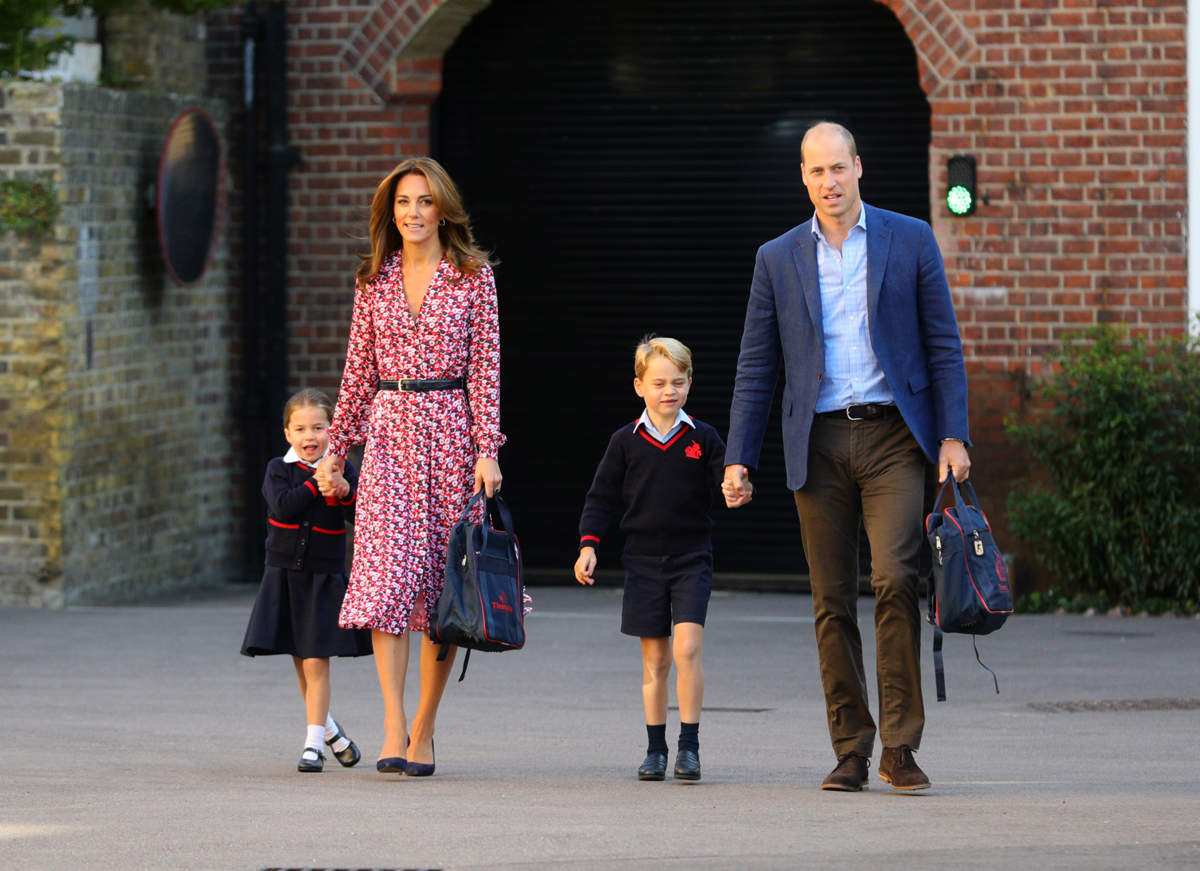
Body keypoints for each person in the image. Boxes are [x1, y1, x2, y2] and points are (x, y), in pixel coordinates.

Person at [723, 121, 972, 792]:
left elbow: (942, 343)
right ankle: (851, 746)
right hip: (819, 441)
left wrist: (954, 435)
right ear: (802, 178)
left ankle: (900, 744)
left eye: (839, 168)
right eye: (816, 172)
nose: (829, 182)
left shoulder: (910, 239)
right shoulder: (776, 258)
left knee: (894, 578)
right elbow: (756, 365)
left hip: (895, 435)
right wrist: (738, 456)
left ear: (859, 166)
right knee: (830, 598)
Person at [315, 157, 504, 778]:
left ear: (442, 209)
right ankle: (393, 725)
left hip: (451, 435)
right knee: (385, 584)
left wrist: (487, 449)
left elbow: (486, 371)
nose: (413, 213)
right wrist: (335, 450)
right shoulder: (373, 281)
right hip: (390, 439)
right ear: (389, 212)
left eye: (424, 202)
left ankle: (425, 724)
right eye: (403, 203)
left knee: (441, 591)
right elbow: (356, 374)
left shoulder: (473, 278)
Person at [574, 337, 750, 783]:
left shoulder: (703, 437)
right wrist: (588, 545)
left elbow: (728, 480)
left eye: (677, 381)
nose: (668, 390)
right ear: (639, 387)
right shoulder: (624, 442)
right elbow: (601, 498)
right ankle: (655, 749)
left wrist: (737, 488)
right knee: (656, 662)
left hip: (692, 558)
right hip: (644, 563)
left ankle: (688, 748)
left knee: (687, 648)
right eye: (658, 383)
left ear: (689, 383)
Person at [241, 388, 373, 773]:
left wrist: (346, 491)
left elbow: (361, 514)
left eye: (319, 427)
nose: (310, 436)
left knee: (316, 661)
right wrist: (317, 483)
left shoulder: (343, 468)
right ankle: (332, 732)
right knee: (302, 662)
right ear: (287, 433)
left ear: (333, 430)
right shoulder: (277, 470)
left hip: (323, 576)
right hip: (284, 574)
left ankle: (313, 745)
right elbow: (283, 505)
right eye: (300, 428)